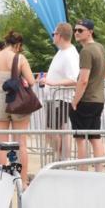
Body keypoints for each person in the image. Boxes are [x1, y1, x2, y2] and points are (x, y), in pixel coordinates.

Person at [0, 30, 35, 186]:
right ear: (18, 45)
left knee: (2, 143)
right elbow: (31, 81)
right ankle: (23, 181)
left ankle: (1, 182)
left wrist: (0, 82)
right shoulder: (20, 58)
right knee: (21, 143)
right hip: (18, 102)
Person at [39, 22, 80, 160]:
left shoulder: (69, 54)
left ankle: (62, 158)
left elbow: (74, 79)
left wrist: (52, 83)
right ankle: (62, 158)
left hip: (61, 98)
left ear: (60, 35)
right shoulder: (62, 52)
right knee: (59, 131)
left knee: (52, 132)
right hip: (56, 98)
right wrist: (47, 79)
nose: (52, 36)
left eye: (54, 34)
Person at [70, 19, 105, 169]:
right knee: (95, 138)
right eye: (75, 30)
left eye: (80, 30)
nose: (76, 33)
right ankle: (99, 172)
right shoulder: (100, 47)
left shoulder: (86, 51)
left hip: (86, 100)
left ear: (90, 32)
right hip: (98, 99)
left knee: (81, 139)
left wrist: (75, 100)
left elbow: (83, 79)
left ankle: (83, 173)